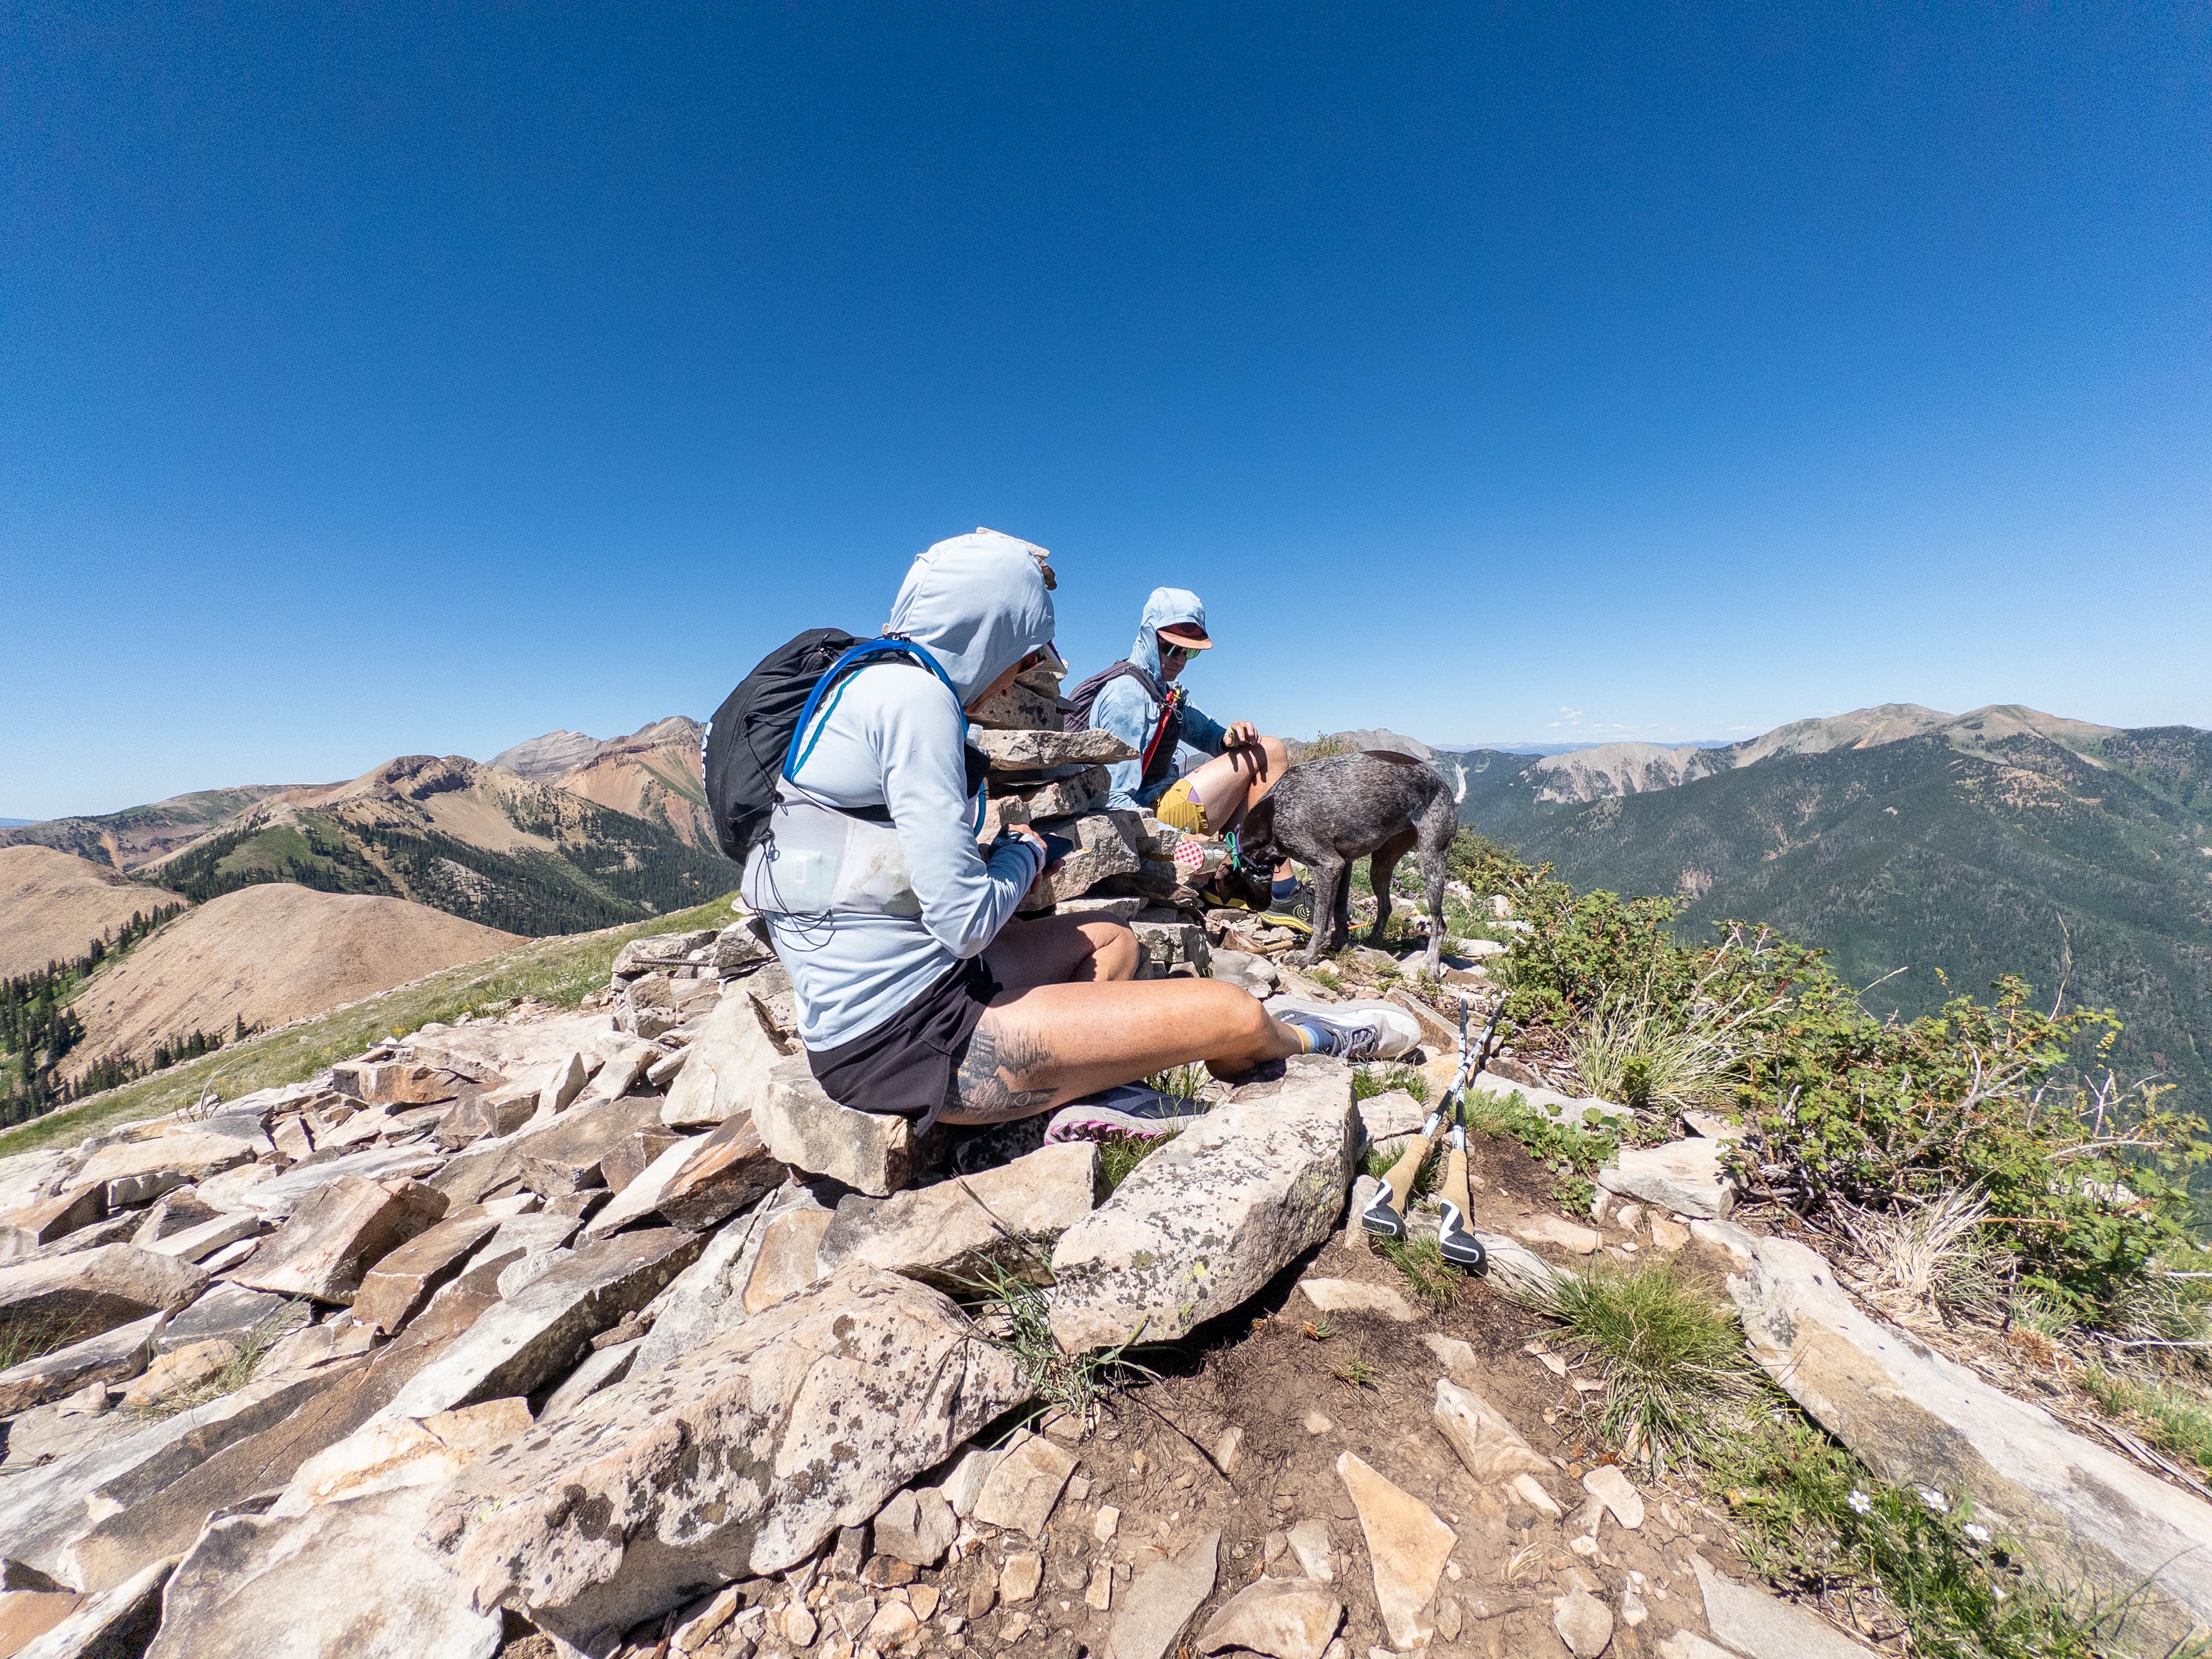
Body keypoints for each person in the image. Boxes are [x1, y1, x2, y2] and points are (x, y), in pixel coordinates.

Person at [746, 530, 1418, 1138]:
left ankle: (1093, 1083)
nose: (1021, 672)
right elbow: (966, 923)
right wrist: (1022, 855)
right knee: (1236, 1014)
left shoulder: (868, 681)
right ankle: (1313, 1037)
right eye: (1025, 651)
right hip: (912, 1041)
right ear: (993, 632)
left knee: (1114, 941)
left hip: (927, 985)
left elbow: (900, 879)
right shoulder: (918, 699)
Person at [1080, 587, 1306, 914]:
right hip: (1149, 820)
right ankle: (1280, 891)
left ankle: (1238, 881)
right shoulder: (1128, 698)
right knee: (1270, 751)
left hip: (1161, 807)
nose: (1180, 660)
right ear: (1148, 636)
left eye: (1189, 652)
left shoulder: (1158, 691)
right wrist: (1176, 839)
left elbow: (1210, 735)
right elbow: (1115, 800)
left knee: (1257, 749)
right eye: (1170, 648)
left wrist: (1232, 736)